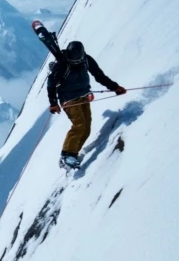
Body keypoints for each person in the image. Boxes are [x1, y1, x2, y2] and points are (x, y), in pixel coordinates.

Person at [47, 41, 126, 169]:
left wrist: (114, 87)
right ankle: (66, 155)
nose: (76, 61)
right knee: (80, 125)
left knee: (86, 128)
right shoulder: (62, 65)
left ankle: (72, 155)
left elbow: (99, 75)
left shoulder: (86, 60)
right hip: (68, 99)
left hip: (83, 96)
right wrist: (53, 103)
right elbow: (51, 84)